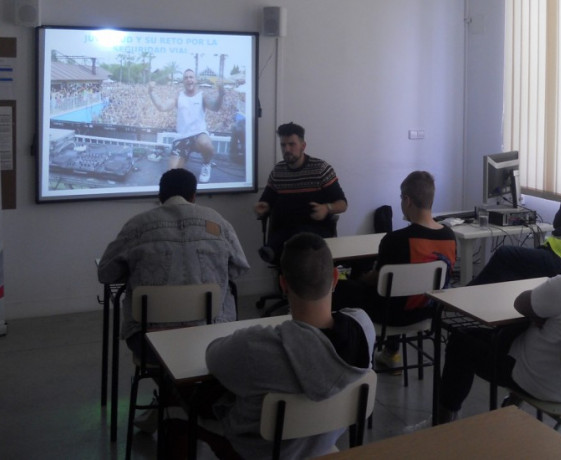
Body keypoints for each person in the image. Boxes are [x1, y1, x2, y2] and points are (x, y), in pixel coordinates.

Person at [194, 233, 376, 459]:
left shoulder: (255, 346)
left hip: (259, 450)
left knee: (181, 405)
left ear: (283, 284)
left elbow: (213, 357)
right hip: (324, 442)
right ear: (335, 277)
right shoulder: (364, 327)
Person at [438, 206, 561, 424]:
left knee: (461, 341)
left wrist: (540, 315)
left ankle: (445, 420)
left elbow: (521, 303)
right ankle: (513, 401)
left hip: (539, 384)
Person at [97, 168, 250, 363]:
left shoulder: (136, 226)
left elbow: (105, 273)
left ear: (160, 196)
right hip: (212, 334)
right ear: (194, 196)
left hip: (149, 341)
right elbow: (239, 269)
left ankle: (174, 389)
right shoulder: (219, 223)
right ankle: (191, 391)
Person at [332, 171, 456, 369]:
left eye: (401, 198)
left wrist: (361, 277)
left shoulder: (394, 240)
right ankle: (391, 352)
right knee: (397, 291)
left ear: (407, 200)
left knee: (338, 288)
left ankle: (344, 359)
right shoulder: (449, 237)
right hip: (427, 313)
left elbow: (378, 279)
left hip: (389, 315)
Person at [468, 160, 561, 285]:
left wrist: (560, 229)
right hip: (556, 254)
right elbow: (558, 223)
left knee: (505, 255)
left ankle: (466, 296)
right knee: (510, 270)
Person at [254, 122, 348, 263]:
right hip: (285, 227)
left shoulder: (320, 169)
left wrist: (326, 208)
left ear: (303, 146)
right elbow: (267, 200)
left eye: (292, 144)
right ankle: (273, 250)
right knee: (287, 235)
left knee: (298, 236)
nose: (287, 149)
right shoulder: (278, 171)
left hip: (314, 228)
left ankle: (274, 249)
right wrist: (262, 207)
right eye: (283, 145)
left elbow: (342, 204)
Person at [148, 69, 224, 183]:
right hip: (182, 138)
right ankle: (184, 156)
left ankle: (206, 164)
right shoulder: (179, 97)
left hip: (199, 135)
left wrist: (221, 94)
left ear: (195, 80)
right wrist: (151, 92)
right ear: (183, 81)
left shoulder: (202, 96)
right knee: (172, 174)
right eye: (186, 77)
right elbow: (162, 107)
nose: (189, 79)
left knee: (206, 144)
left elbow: (215, 107)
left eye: (191, 77)